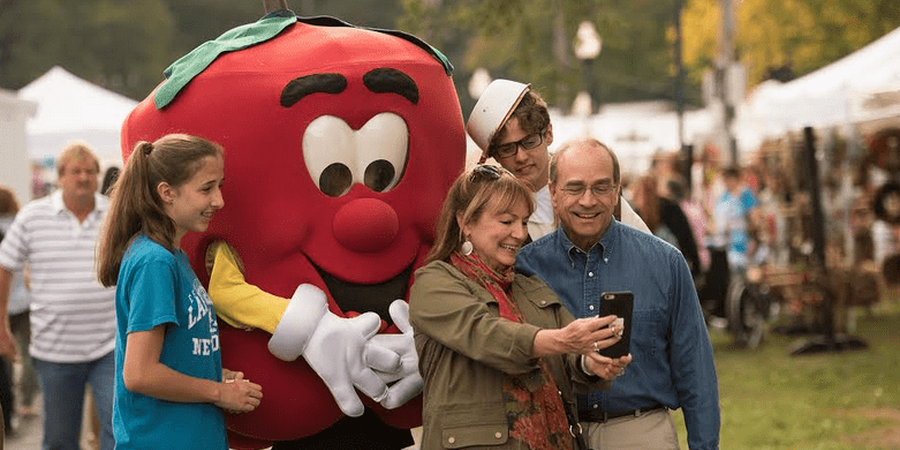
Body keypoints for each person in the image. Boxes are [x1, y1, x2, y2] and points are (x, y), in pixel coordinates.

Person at [409, 164, 631, 450]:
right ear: (465, 222)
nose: (519, 233)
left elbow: (569, 359)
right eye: (506, 221)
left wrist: (593, 362)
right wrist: (563, 340)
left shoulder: (528, 285)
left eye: (524, 222)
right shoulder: (434, 282)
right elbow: (487, 335)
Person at [516, 138, 720, 450]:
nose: (588, 200)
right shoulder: (525, 267)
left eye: (600, 187)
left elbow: (696, 369)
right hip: (553, 433)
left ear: (616, 192)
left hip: (640, 433)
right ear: (553, 193)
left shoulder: (664, 263)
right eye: (574, 188)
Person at [96, 134, 262, 449]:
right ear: (167, 193)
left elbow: (172, 355)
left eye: (219, 186)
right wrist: (219, 392)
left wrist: (216, 374)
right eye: (206, 188)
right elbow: (140, 374)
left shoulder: (172, 257)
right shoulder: (155, 262)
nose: (219, 201)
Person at [0, 143, 117, 450]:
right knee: (59, 440)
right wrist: (1, 326)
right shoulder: (32, 216)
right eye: (75, 171)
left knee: (117, 433)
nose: (83, 178)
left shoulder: (115, 213)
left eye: (90, 172)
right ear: (60, 177)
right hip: (55, 351)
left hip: (111, 345)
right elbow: (4, 267)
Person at [467, 79, 650, 242]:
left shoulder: (596, 193)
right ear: (495, 155)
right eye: (507, 149)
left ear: (548, 134)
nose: (521, 157)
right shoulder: (494, 213)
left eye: (529, 142)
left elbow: (650, 253)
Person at [714, 166, 760, 276]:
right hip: (728, 245)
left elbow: (755, 219)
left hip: (745, 244)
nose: (726, 183)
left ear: (735, 179)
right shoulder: (723, 197)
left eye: (728, 179)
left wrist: (754, 239)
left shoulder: (746, 195)